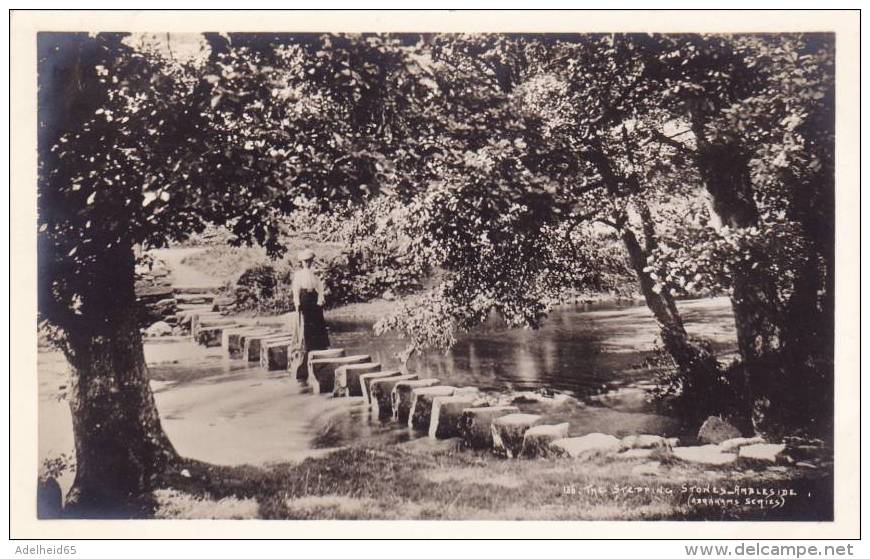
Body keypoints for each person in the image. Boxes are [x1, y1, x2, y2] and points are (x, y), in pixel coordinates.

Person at [288, 249, 330, 378]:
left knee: (317, 321)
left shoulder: (314, 274)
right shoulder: (299, 275)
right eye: (305, 261)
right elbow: (295, 289)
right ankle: (306, 345)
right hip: (304, 297)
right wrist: (297, 302)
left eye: (309, 261)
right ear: (302, 262)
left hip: (313, 297)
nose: (307, 263)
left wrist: (320, 298)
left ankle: (318, 345)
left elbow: (319, 287)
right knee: (305, 322)